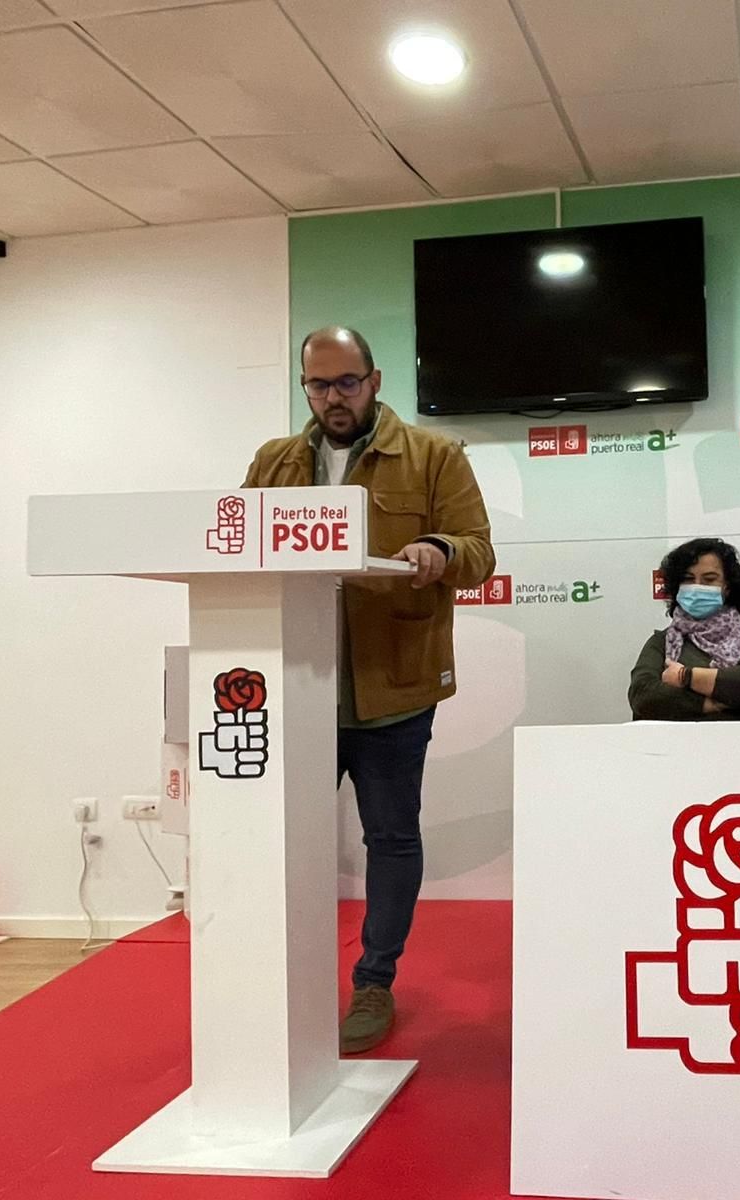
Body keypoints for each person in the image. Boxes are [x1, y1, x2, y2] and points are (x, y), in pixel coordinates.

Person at [242, 326, 494, 1053]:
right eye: (317, 386)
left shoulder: (432, 455)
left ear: (375, 380)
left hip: (393, 689)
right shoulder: (274, 463)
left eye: (346, 383)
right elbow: (233, 545)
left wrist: (437, 550)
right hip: (295, 686)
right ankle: (276, 979)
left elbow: (477, 551)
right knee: (276, 840)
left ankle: (375, 982)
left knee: (389, 838)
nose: (332, 398)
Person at [628, 537, 740, 720]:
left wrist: (685, 676)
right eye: (688, 579)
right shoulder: (662, 641)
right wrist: (711, 703)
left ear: (727, 587)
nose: (697, 586)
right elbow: (643, 695)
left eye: (709, 579)